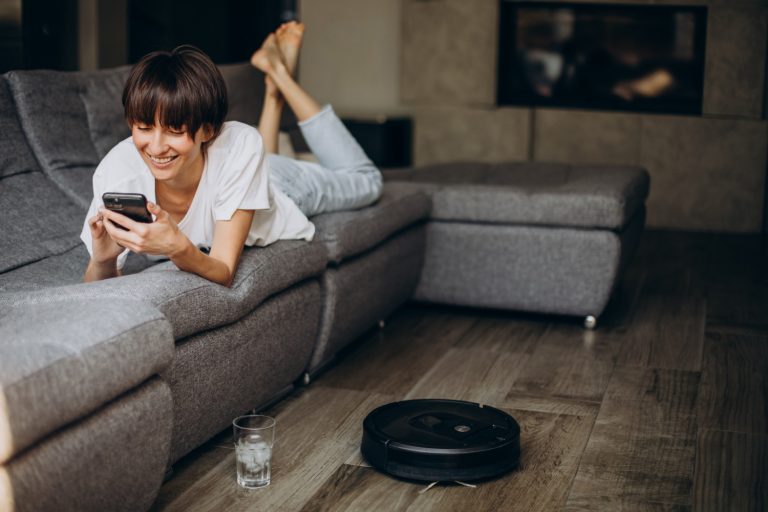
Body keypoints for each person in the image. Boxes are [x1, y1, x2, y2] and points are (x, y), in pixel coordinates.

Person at [81, 21, 382, 287]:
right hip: (243, 177)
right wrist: (103, 261)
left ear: (207, 130)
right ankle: (273, 93)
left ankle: (279, 74)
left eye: (174, 130)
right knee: (255, 160)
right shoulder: (117, 171)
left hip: (283, 188)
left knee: (368, 181)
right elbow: (97, 292)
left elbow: (224, 270)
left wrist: (176, 246)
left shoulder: (238, 145)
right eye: (144, 127)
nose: (156, 147)